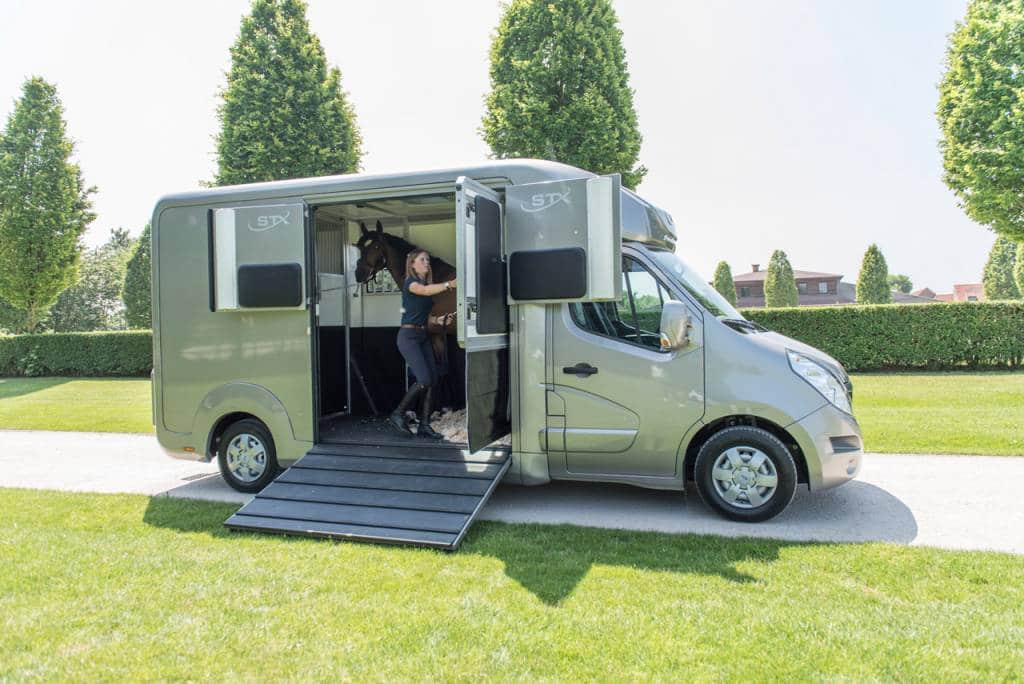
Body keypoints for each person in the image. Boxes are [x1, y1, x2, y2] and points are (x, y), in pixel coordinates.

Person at [388, 248, 456, 438]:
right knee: (424, 379)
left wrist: (439, 320)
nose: (427, 262)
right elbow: (425, 290)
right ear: (412, 264)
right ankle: (397, 414)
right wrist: (450, 284)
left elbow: (425, 317)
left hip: (422, 335)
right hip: (408, 337)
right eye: (423, 260)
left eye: (428, 260)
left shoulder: (425, 287)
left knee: (432, 379)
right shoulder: (411, 283)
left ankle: (424, 425)